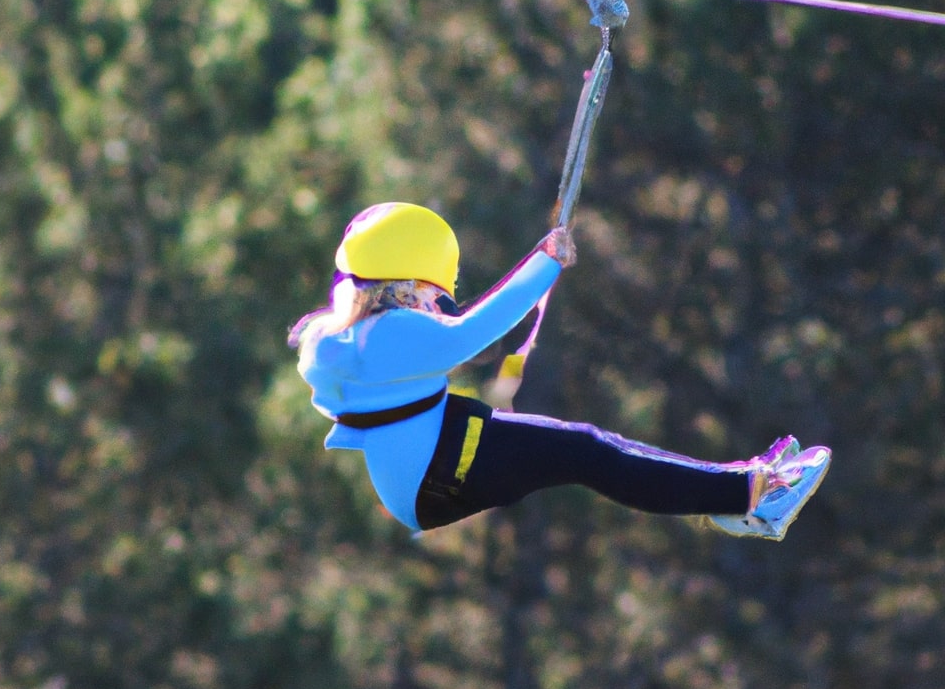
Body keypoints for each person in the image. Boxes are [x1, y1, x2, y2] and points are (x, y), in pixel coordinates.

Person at [290, 202, 830, 539]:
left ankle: (739, 489)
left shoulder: (348, 333)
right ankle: (750, 498)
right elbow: (475, 332)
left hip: (438, 459)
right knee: (587, 453)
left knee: (590, 447)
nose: (439, 302)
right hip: (440, 471)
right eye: (435, 292)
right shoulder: (392, 333)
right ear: (412, 277)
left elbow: (451, 334)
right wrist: (545, 263)